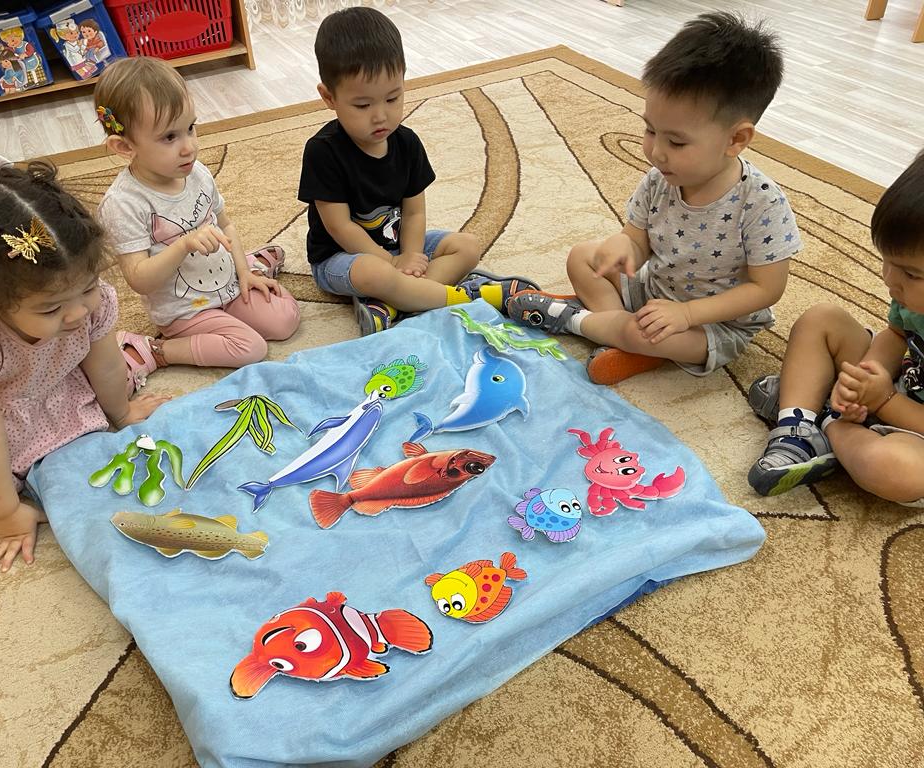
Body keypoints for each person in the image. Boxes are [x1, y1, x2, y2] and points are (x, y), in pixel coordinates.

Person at [0, 152, 167, 573]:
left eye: (88, 288)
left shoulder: (81, 299)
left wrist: (121, 412)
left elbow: (105, 366)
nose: (78, 313)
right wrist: (7, 513)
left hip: (44, 374)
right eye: (51, 308)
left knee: (110, 396)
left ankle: (131, 349)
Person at [506, 12, 801, 385]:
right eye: (649, 130)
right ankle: (618, 334)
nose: (656, 152)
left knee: (647, 333)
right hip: (654, 289)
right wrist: (622, 246)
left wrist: (688, 315)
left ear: (736, 139)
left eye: (676, 141)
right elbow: (636, 241)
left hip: (713, 325)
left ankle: (580, 322)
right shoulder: (661, 178)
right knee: (582, 256)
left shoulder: (761, 204)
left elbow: (766, 290)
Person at [298, 6, 538, 336]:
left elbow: (413, 213)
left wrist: (410, 254)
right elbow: (340, 227)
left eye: (392, 98)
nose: (380, 116)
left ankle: (395, 303)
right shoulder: (323, 151)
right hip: (341, 257)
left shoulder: (407, 143)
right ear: (329, 97)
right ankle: (463, 298)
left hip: (397, 244)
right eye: (363, 105)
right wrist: (390, 261)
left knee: (467, 246)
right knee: (377, 274)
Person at [94, 56, 301, 372]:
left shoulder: (197, 172)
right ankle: (155, 351)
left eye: (190, 128)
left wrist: (245, 272)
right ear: (124, 147)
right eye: (169, 137)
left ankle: (253, 262)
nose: (189, 147)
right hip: (186, 310)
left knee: (285, 320)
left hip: (228, 286)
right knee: (250, 347)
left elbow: (226, 225)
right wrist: (183, 245)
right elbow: (139, 279)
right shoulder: (123, 204)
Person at [746, 151, 924, 503]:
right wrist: (863, 377)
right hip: (895, 387)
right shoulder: (911, 299)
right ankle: (795, 427)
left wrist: (881, 400)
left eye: (911, 274)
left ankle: (827, 424)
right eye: (887, 262)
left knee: (898, 472)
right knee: (822, 318)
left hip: (913, 432)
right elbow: (896, 334)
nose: (890, 280)